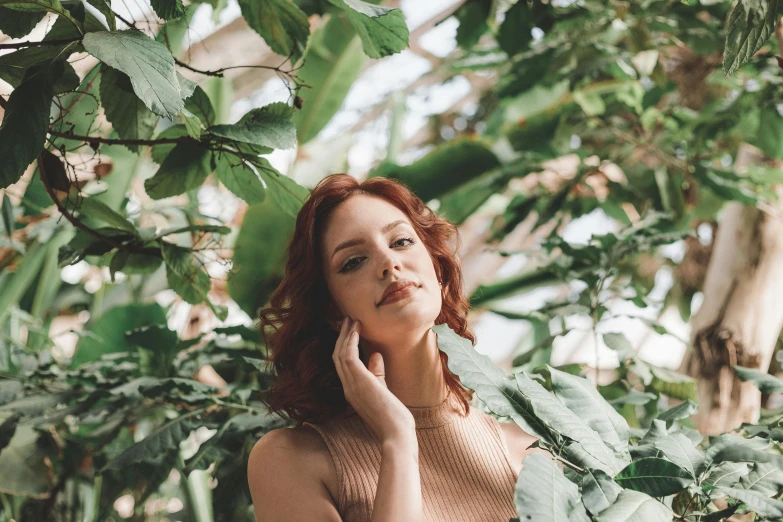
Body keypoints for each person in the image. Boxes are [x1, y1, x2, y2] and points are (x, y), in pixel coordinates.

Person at [247, 173, 537, 522]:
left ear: (438, 268)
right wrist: (397, 439)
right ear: (331, 311)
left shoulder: (528, 448)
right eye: (353, 261)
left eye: (400, 242)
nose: (389, 263)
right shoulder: (291, 460)